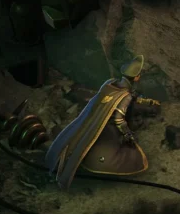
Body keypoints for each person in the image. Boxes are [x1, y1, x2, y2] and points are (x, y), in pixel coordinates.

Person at [44, 56, 160, 190]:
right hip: (108, 133)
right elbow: (119, 119)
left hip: (95, 126)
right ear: (137, 77)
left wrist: (146, 101)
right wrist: (129, 135)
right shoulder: (125, 96)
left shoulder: (109, 83)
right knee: (134, 158)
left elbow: (128, 98)